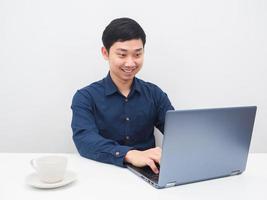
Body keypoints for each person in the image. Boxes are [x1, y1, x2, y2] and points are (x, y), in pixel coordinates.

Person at [71, 17, 174, 174]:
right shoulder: (85, 97)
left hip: (151, 173)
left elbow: (177, 133)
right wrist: (129, 154)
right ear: (105, 53)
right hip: (103, 173)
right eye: (122, 55)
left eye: (137, 54)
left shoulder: (155, 94)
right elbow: (84, 140)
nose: (130, 63)